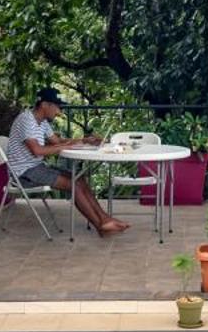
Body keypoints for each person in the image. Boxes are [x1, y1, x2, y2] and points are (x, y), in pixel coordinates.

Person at [7, 88, 125, 235]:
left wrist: (84, 141)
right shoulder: (26, 120)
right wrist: (66, 146)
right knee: (73, 184)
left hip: (36, 167)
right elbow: (37, 151)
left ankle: (105, 219)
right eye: (57, 107)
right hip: (24, 174)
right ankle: (100, 225)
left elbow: (57, 141)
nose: (59, 112)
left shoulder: (41, 121)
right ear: (44, 105)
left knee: (79, 178)